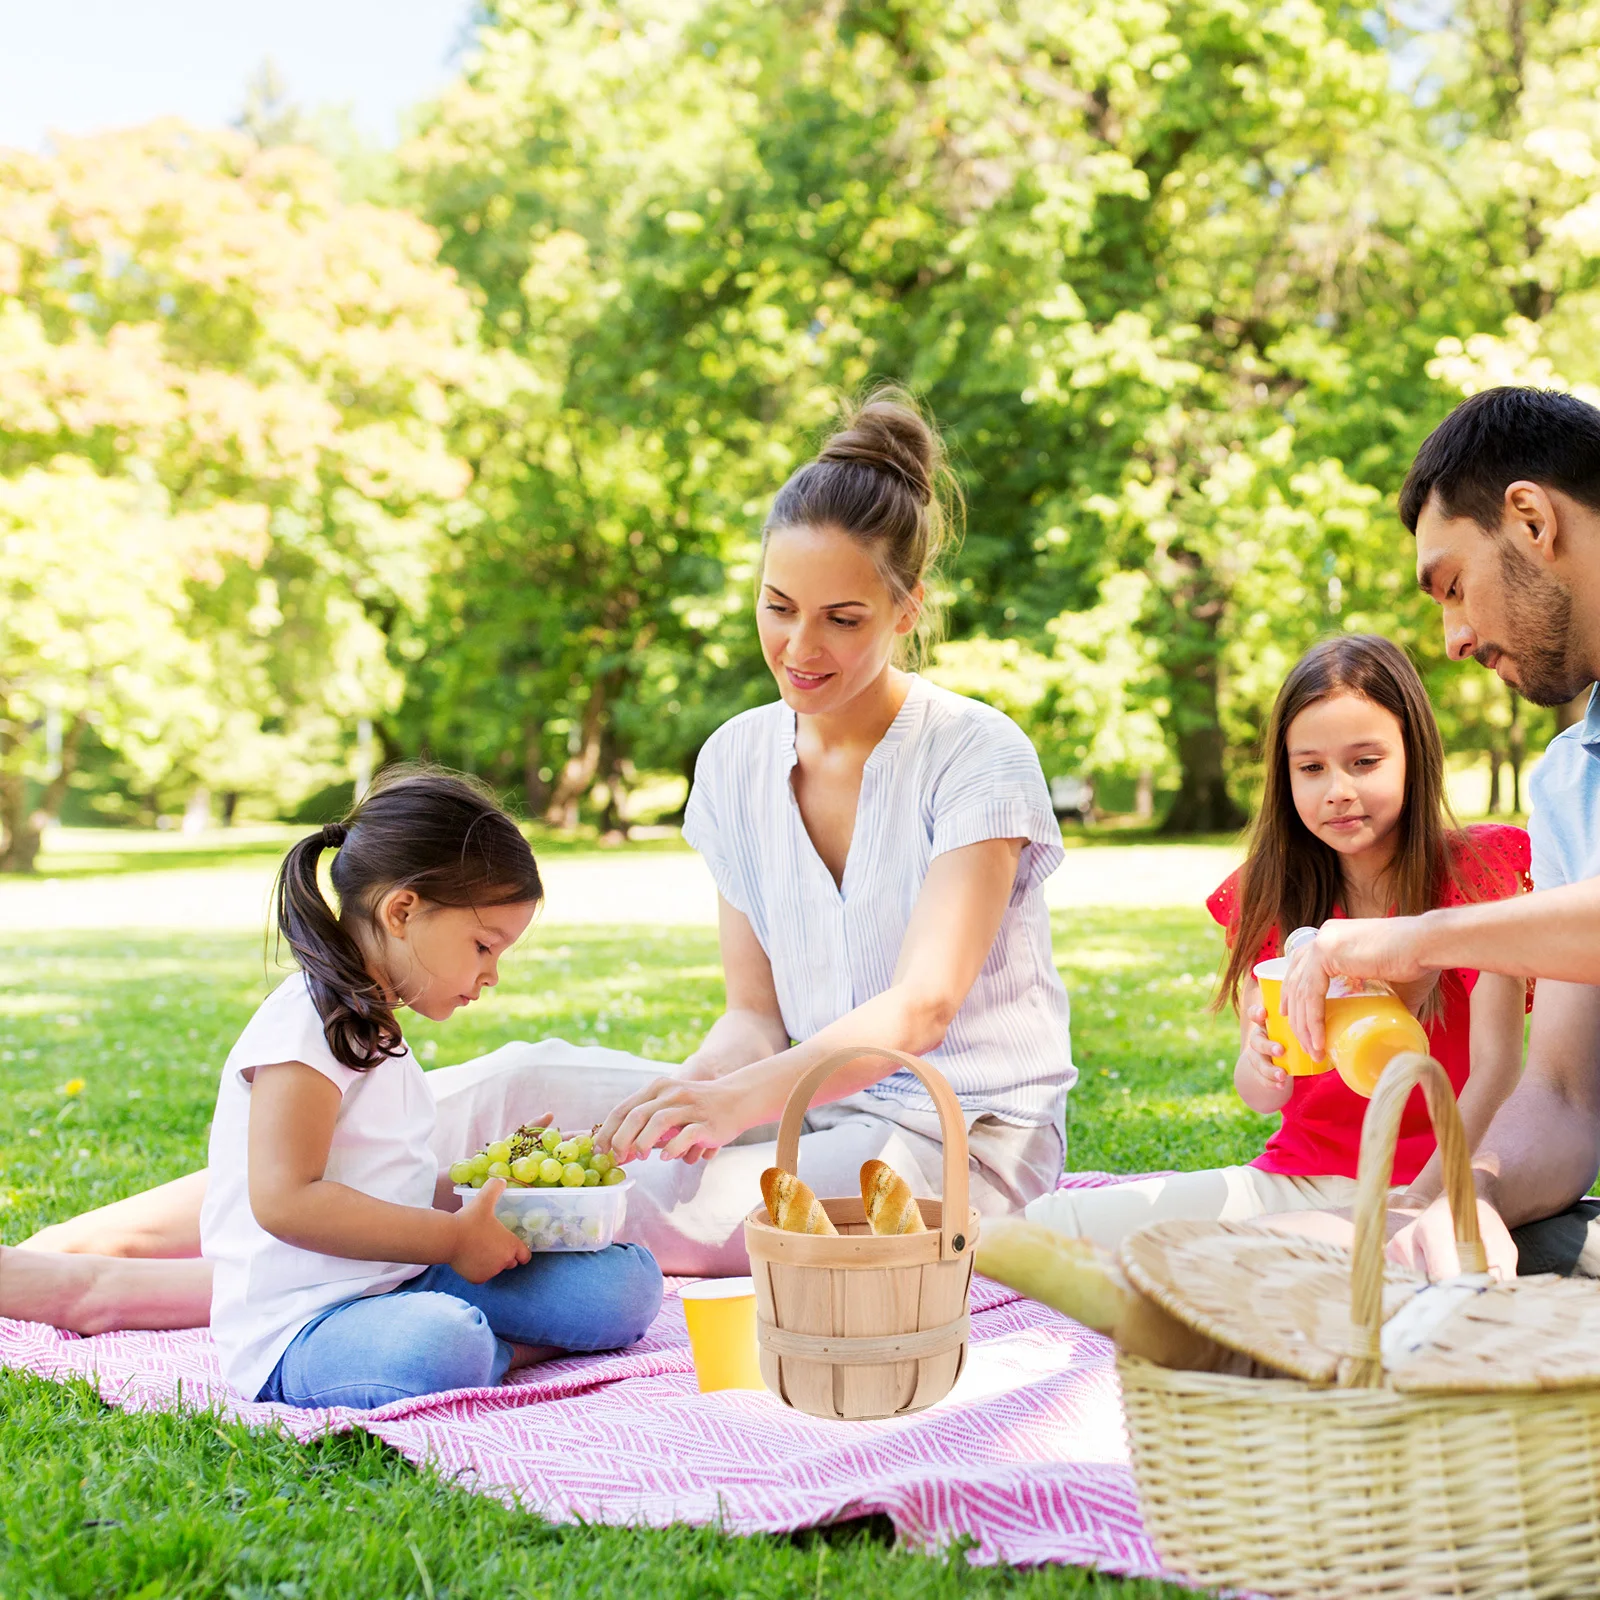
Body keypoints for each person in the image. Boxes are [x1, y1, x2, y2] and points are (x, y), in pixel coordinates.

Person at [3, 386, 1073, 1328]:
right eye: (777, 607)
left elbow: (923, 1008)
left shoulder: (974, 756)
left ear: (906, 609)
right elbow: (754, 1015)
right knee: (495, 1094)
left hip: (958, 1143)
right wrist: (675, 1102)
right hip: (791, 1096)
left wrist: (717, 1110)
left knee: (577, 1206)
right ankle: (77, 1246)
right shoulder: (738, 761)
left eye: (842, 618)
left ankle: (105, 1299)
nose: (800, 649)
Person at [10, 770, 665, 1405]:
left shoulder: (380, 1033)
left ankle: (479, 1350)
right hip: (305, 1325)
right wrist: (453, 1241)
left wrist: (504, 1173)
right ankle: (485, 1354)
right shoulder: (304, 1026)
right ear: (403, 910)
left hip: (402, 1283)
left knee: (625, 1285)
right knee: (440, 1343)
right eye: (483, 946)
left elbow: (400, 1189)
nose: (492, 975)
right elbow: (286, 1202)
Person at [1023, 634, 1528, 1248]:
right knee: (1044, 1228)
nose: (1336, 788)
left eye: (1365, 762)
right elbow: (1261, 1095)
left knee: (1239, 1262)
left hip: (1438, 1189)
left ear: (1414, 757)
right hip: (1296, 1181)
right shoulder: (1270, 896)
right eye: (1311, 767)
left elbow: (1499, 1070)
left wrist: (1424, 1198)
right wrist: (1260, 1061)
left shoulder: (1479, 875)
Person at [1279, 386, 1600, 1279]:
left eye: (1453, 586)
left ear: (1532, 520)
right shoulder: (1572, 780)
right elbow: (1568, 1095)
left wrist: (1417, 937)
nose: (1453, 637)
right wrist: (1473, 1199)